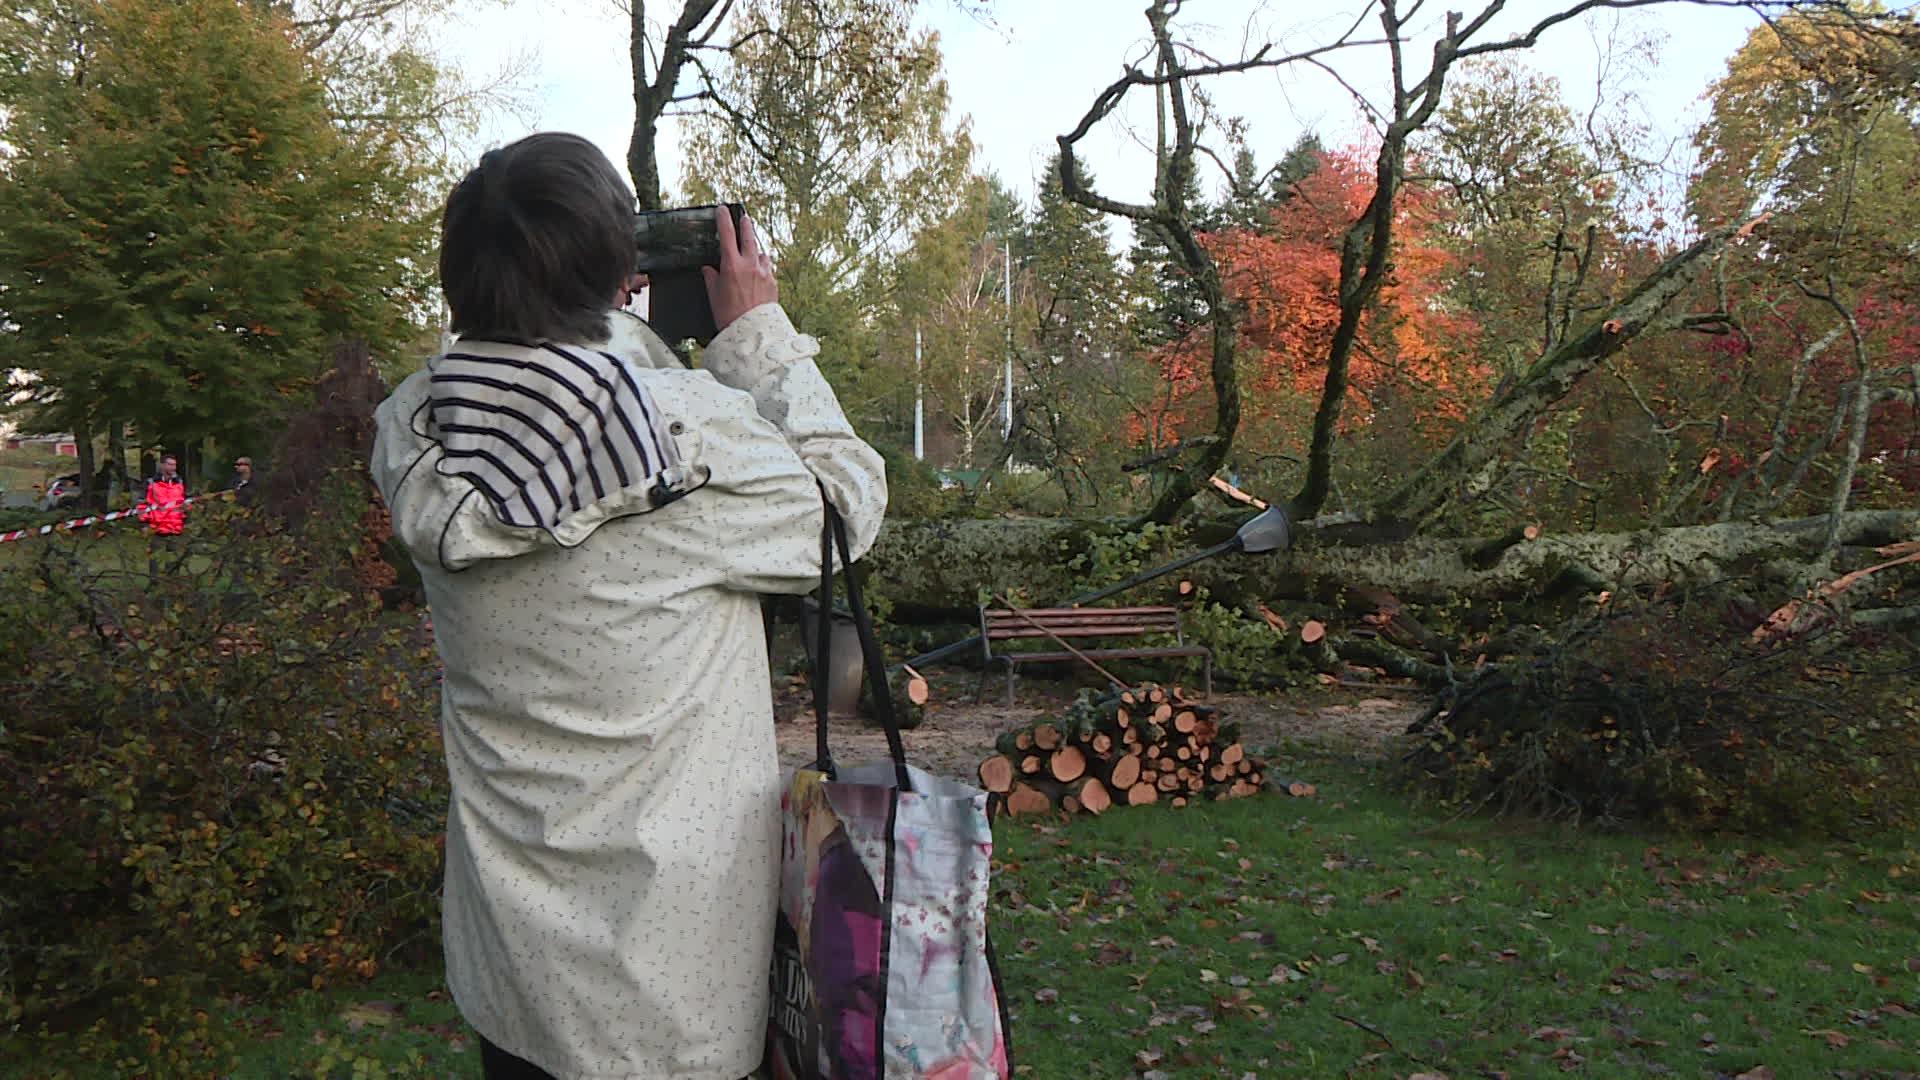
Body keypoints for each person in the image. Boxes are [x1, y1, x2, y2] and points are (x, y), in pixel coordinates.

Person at [368, 132, 886, 1080]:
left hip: (510, 971)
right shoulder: (693, 448)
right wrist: (753, 335)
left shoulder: (414, 432)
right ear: (624, 275)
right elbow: (846, 504)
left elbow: (549, 395)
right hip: (668, 994)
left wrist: (599, 305)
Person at [141, 454, 188, 574]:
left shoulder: (180, 482)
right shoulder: (151, 483)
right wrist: (144, 523)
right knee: (155, 557)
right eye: (170, 464)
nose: (173, 467)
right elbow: (143, 505)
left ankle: (171, 582)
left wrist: (185, 517)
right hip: (157, 525)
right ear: (162, 465)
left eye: (174, 464)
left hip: (175, 525)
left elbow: (183, 502)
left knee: (173, 557)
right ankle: (154, 581)